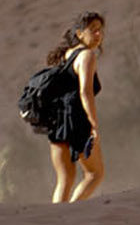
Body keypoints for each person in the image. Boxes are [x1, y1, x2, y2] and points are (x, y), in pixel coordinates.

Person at [41, 10, 106, 203]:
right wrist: (93, 124)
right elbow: (85, 92)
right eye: (93, 30)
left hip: (57, 123)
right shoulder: (87, 56)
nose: (98, 34)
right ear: (79, 33)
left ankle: (58, 222)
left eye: (100, 30)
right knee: (95, 174)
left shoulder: (66, 55)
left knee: (65, 179)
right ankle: (73, 213)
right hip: (77, 122)